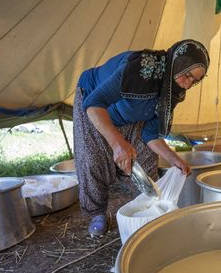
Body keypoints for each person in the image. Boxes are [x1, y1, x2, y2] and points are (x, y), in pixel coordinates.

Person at [73, 39, 210, 236]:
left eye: (195, 80)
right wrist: (118, 143)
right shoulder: (142, 68)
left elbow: (150, 133)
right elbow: (94, 104)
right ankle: (98, 213)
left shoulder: (175, 91)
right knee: (92, 159)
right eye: (187, 74)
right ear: (177, 62)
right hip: (95, 104)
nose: (188, 83)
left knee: (145, 159)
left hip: (132, 111)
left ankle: (147, 210)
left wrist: (174, 159)